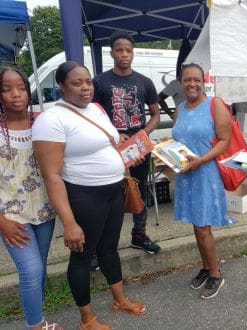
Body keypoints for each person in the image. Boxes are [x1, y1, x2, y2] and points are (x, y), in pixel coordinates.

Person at [32, 61, 146, 330]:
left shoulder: (95, 108)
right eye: (76, 83)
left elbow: (101, 140)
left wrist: (123, 140)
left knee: (109, 249)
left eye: (88, 82)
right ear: (61, 86)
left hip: (113, 191)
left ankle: (120, 299)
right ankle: (87, 319)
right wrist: (69, 223)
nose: (85, 88)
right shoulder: (52, 120)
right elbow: (52, 176)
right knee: (83, 257)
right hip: (85, 197)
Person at [0, 67, 61, 330]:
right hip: (11, 217)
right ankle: (35, 325)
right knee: (31, 271)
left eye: (21, 88)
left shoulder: (43, 121)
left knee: (40, 268)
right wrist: (1, 221)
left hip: (45, 211)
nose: (16, 94)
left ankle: (37, 315)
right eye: (6, 89)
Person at [93, 31, 161, 254]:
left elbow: (155, 115)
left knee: (139, 191)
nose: (124, 54)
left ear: (133, 53)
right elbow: (93, 115)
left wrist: (140, 137)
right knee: (108, 195)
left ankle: (139, 235)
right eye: (119, 50)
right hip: (109, 147)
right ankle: (102, 245)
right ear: (111, 52)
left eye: (128, 50)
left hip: (138, 147)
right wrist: (112, 134)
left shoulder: (145, 82)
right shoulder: (99, 82)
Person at [172, 63, 231, 299]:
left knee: (203, 226)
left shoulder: (214, 104)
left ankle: (216, 274)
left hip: (205, 173)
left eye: (196, 79)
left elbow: (224, 140)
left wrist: (200, 160)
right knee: (196, 225)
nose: (192, 84)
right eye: (187, 79)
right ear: (181, 82)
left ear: (203, 81)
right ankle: (206, 268)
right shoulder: (180, 108)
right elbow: (179, 137)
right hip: (185, 173)